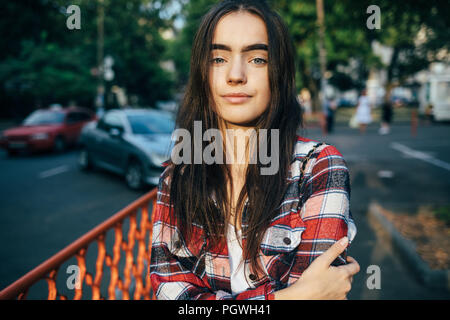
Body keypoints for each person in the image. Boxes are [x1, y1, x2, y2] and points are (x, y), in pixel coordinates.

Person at [149, 0, 359, 300]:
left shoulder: (318, 167)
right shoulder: (178, 176)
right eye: (218, 59)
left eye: (257, 59)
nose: (235, 74)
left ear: (279, 73)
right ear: (201, 74)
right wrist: (288, 298)